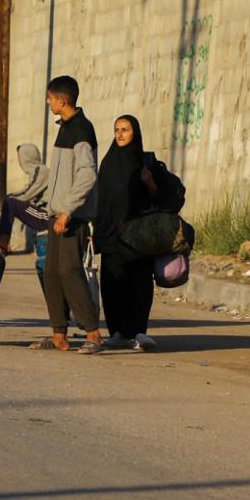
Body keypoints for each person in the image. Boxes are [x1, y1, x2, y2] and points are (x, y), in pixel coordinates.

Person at [29, 75, 103, 354]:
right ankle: (59, 334)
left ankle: (93, 333)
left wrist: (68, 211)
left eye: (50, 98)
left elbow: (87, 175)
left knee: (69, 271)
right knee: (51, 272)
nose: (48, 103)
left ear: (62, 100)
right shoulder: (65, 128)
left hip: (73, 216)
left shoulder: (82, 129)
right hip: (58, 213)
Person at [95, 115, 166, 351]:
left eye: (125, 129)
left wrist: (150, 183)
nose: (120, 134)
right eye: (116, 129)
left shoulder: (144, 162)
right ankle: (117, 332)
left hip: (139, 236)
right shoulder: (108, 162)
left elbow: (161, 200)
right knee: (113, 285)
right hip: (112, 235)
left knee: (139, 284)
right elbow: (100, 200)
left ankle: (138, 331)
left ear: (135, 132)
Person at [0, 144, 51, 253]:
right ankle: (3, 241)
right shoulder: (38, 171)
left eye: (20, 159)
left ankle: (3, 242)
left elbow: (26, 194)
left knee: (10, 202)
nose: (19, 163)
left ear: (26, 158)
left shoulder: (41, 171)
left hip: (47, 216)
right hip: (43, 214)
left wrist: (9, 198)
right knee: (10, 201)